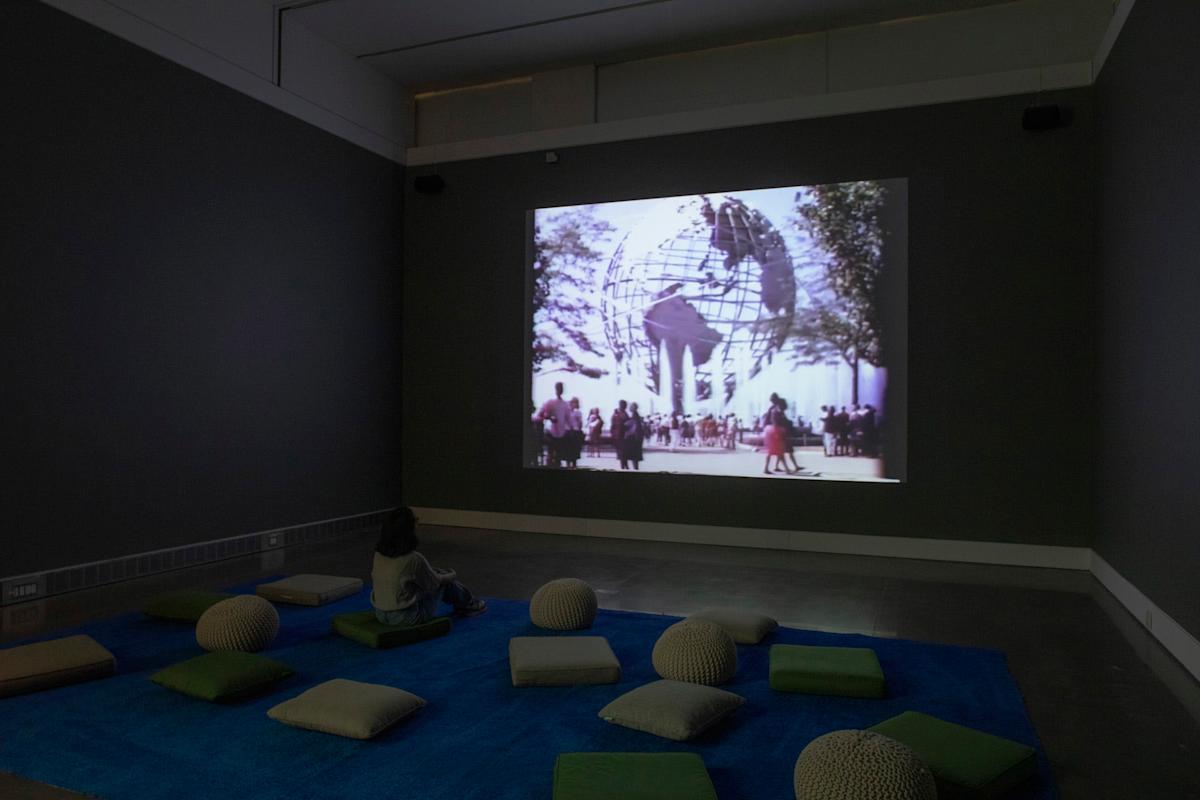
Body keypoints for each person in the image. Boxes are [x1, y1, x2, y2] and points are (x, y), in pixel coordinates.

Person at [370, 507, 486, 625]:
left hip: (380, 614)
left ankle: (467, 603)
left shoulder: (378, 555)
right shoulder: (414, 559)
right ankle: (469, 605)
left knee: (430, 579)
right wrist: (451, 575)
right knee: (446, 584)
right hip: (406, 617)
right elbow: (434, 584)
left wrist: (433, 572)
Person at [532, 382, 572, 467]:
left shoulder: (565, 404)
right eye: (558, 388)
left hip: (561, 433)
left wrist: (571, 429)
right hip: (550, 432)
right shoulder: (549, 402)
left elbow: (569, 419)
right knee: (550, 454)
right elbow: (538, 416)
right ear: (555, 389)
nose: (560, 390)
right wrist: (548, 417)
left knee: (559, 456)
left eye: (561, 388)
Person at [625, 401, 646, 470]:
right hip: (637, 436)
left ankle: (635, 468)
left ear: (633, 408)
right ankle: (635, 468)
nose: (629, 408)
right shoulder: (636, 415)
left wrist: (628, 433)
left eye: (631, 406)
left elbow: (635, 426)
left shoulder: (634, 415)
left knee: (634, 455)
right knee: (635, 455)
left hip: (635, 437)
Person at [611, 400, 630, 469]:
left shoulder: (622, 413)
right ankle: (624, 465)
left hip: (622, 434)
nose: (625, 407)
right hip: (620, 435)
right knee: (622, 451)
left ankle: (624, 465)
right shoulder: (620, 414)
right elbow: (613, 425)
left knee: (623, 451)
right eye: (624, 405)